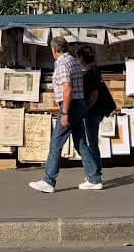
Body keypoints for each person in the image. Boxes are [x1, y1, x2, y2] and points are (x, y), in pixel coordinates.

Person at [29, 36, 102, 193]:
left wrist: (65, 113)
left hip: (71, 105)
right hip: (80, 103)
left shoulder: (62, 64)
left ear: (54, 50)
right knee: (80, 143)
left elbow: (67, 89)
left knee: (56, 143)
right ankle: (94, 178)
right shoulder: (74, 62)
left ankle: (48, 180)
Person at [75, 44, 116, 189]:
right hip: (97, 111)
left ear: (81, 57)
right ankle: (95, 173)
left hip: (93, 112)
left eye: (77, 56)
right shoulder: (94, 70)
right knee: (93, 143)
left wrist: (86, 109)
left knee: (91, 143)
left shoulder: (91, 72)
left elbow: (94, 94)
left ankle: (94, 178)